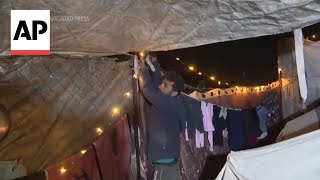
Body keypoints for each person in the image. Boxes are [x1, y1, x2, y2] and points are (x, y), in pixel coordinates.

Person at [138, 53, 185, 180]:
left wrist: (142, 68)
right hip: (168, 155)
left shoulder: (167, 103)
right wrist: (154, 61)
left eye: (165, 85)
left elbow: (147, 88)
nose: (160, 85)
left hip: (163, 158)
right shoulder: (172, 100)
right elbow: (158, 82)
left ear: (174, 92)